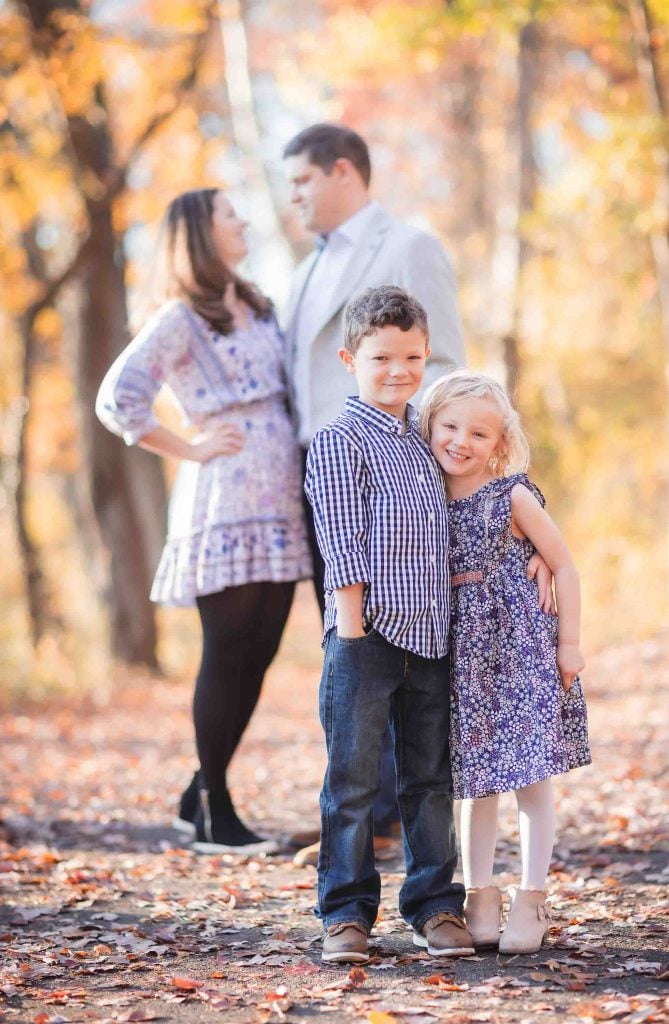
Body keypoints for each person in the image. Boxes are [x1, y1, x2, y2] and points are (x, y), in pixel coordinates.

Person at [96, 188, 312, 855]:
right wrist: (188, 446)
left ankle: (198, 793)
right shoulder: (180, 318)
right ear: (198, 231)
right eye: (229, 214)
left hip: (279, 501)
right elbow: (118, 398)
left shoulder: (257, 303)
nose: (243, 219)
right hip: (225, 501)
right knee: (227, 652)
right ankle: (217, 810)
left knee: (261, 652)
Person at [283, 122, 466, 851]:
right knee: (347, 640)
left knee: (402, 634)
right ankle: (360, 802)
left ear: (341, 172)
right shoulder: (302, 272)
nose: (292, 195)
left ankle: (387, 815)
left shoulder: (408, 247)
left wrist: (439, 466)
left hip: (394, 470)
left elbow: (446, 357)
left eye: (301, 179)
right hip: (325, 472)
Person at [305, 286, 474, 965]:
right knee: (352, 783)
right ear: (350, 359)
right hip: (365, 638)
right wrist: (350, 638)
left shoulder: (424, 437)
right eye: (380, 358)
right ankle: (345, 915)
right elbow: (342, 542)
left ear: (425, 355)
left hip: (431, 637)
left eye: (409, 356)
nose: (397, 370)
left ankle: (434, 906)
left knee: (429, 780)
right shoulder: (340, 439)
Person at [420, 370, 592, 955]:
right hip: (465, 655)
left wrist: (570, 644)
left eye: (479, 433)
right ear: (430, 426)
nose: (461, 441)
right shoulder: (424, 493)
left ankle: (533, 894)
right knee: (475, 784)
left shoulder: (511, 494)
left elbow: (563, 564)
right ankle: (481, 894)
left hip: (521, 648)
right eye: (450, 426)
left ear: (500, 443)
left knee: (529, 774)